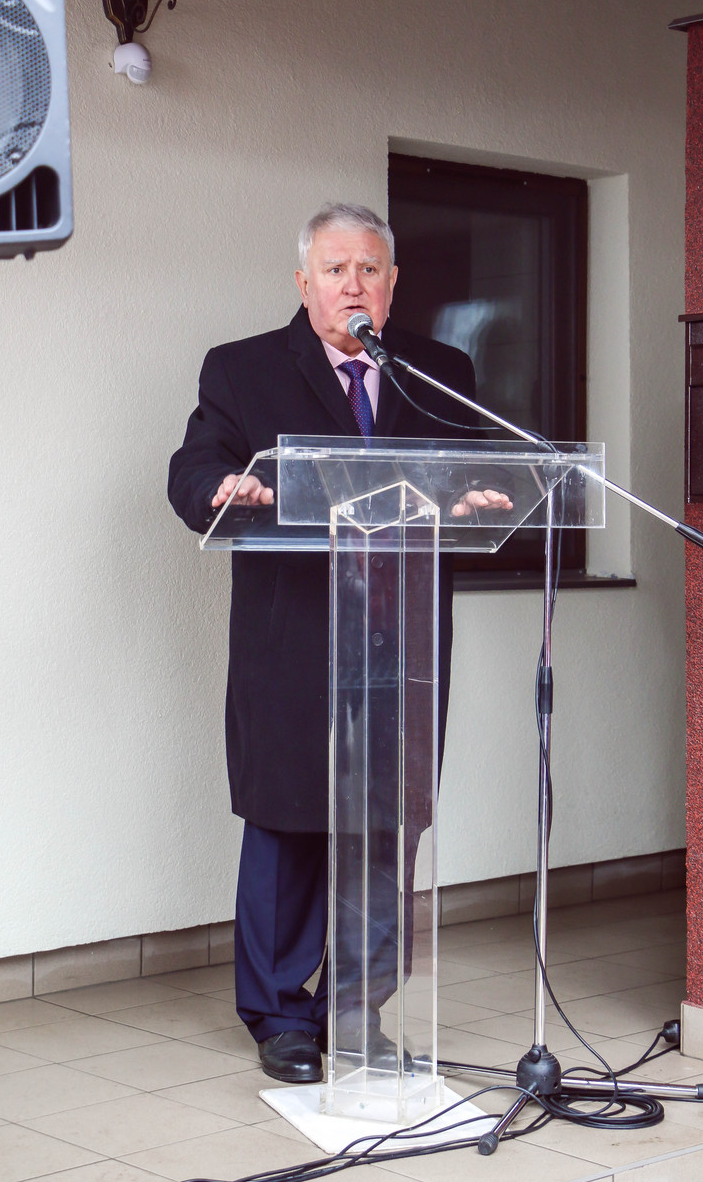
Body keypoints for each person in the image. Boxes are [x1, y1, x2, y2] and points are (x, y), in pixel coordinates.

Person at [168, 203, 511, 1084]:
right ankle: (281, 1017)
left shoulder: (438, 371)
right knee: (287, 821)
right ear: (303, 283)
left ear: (391, 285)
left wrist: (476, 496)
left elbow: (470, 471)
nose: (352, 285)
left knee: (383, 827)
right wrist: (221, 487)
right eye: (334, 270)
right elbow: (193, 466)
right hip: (291, 638)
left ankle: (355, 1010)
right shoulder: (241, 367)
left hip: (402, 642)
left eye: (368, 270)